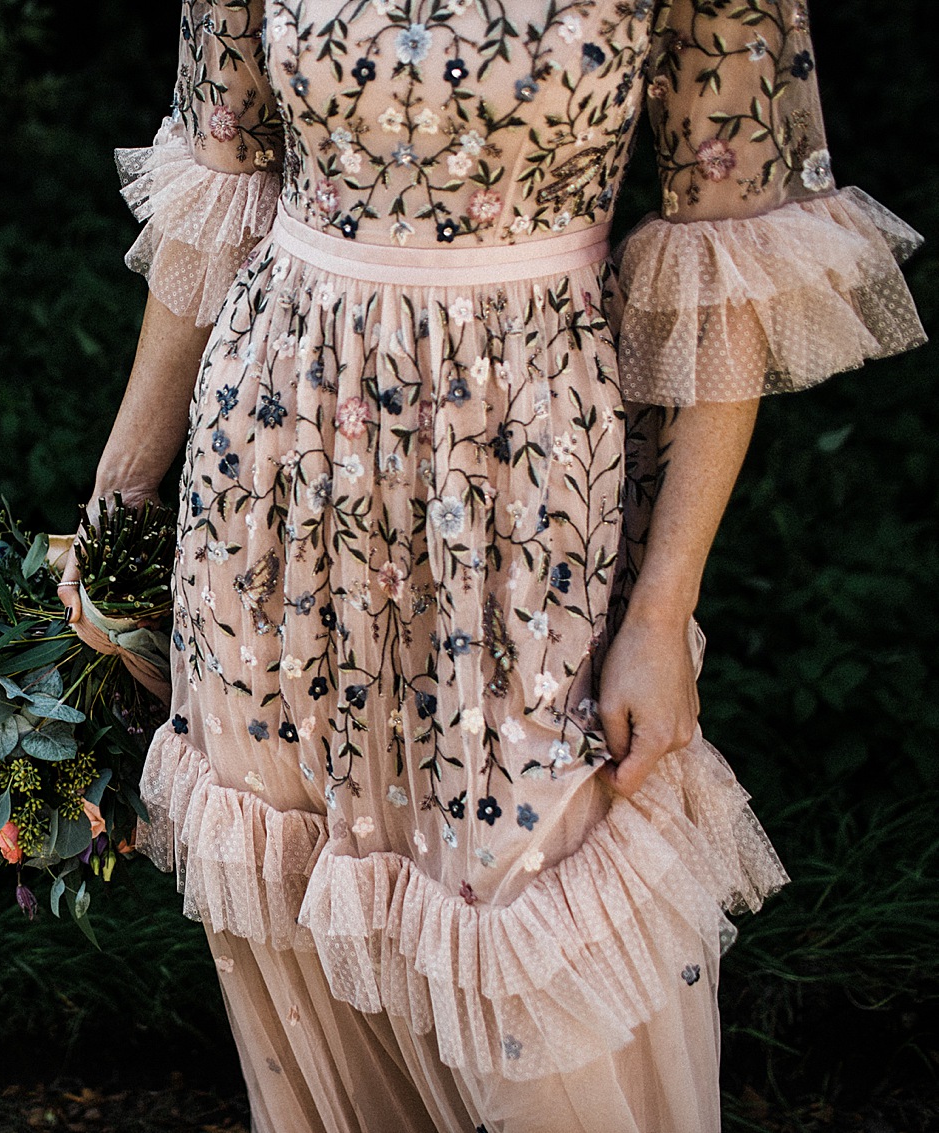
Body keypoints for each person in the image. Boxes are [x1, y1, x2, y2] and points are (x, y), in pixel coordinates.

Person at [56, 1, 926, 1130]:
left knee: (536, 913)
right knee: (299, 915)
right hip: (269, 483)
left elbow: (731, 261)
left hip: (527, 503)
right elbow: (216, 192)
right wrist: (118, 499)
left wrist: (662, 612)